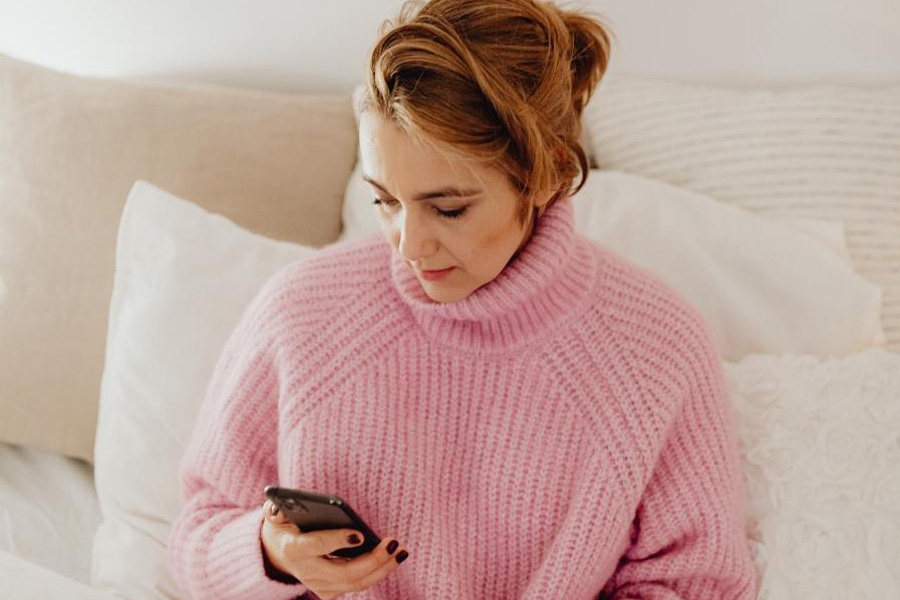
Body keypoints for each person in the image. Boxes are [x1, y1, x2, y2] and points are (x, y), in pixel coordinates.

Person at [167, 0, 760, 598]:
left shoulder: (656, 348)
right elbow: (197, 536)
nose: (409, 244)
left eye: (448, 208)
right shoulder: (301, 313)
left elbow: (697, 584)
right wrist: (271, 553)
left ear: (548, 174)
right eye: (385, 201)